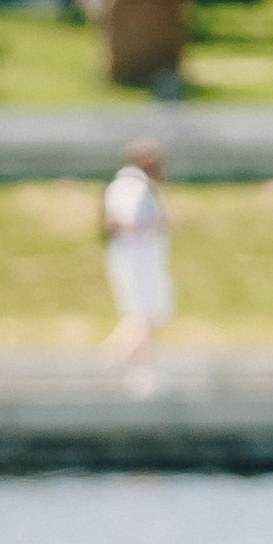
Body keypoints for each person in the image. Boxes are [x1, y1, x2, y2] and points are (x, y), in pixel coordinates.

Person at [101, 142, 172, 374]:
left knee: (147, 319)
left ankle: (141, 371)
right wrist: (156, 226)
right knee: (142, 318)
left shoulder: (134, 186)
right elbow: (124, 222)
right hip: (138, 260)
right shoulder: (132, 187)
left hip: (141, 258)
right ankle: (109, 366)